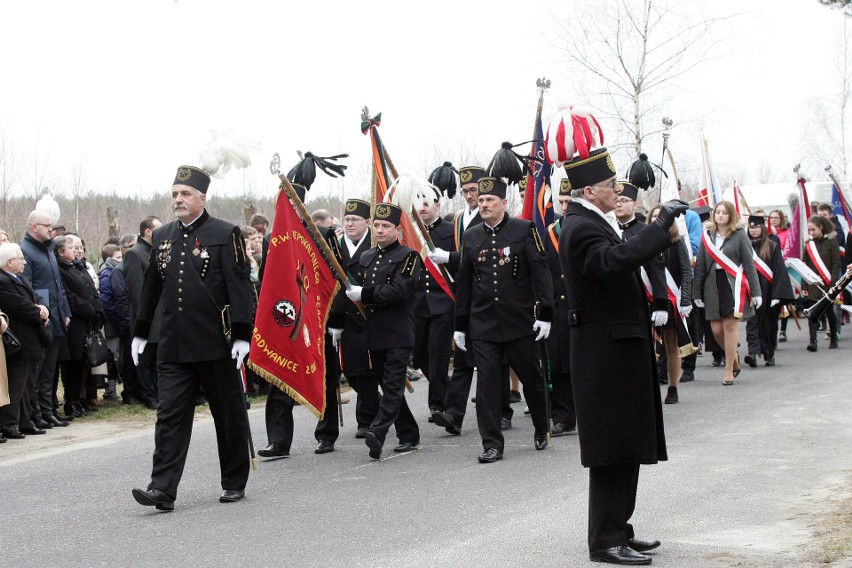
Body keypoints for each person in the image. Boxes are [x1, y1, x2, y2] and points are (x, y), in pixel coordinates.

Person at [557, 142, 688, 565]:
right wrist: (659, 226)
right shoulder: (579, 226)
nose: (618, 190)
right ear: (590, 191)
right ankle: (605, 540)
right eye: (611, 184)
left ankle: (620, 530)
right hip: (603, 351)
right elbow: (612, 264)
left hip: (617, 347)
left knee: (625, 443)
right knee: (612, 448)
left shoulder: (596, 219)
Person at [130, 164, 254, 511]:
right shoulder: (163, 235)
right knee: (170, 415)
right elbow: (152, 288)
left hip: (217, 344)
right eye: (174, 194)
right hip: (174, 344)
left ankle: (233, 481)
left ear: (202, 198)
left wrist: (243, 334)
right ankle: (162, 489)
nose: (178, 200)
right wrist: (140, 330)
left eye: (185, 194)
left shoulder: (225, 232)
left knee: (227, 415)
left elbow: (240, 286)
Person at [453, 175, 553, 463]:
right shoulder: (471, 236)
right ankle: (492, 443)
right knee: (486, 386)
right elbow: (465, 284)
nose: (483, 204)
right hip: (483, 324)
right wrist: (460, 325)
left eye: (489, 200)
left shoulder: (524, 229)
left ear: (503, 203)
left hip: (519, 321)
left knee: (532, 380)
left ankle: (541, 425)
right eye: (480, 200)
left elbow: (541, 273)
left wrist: (545, 314)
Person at [345, 202, 421, 460]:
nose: (379, 230)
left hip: (399, 332)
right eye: (376, 225)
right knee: (388, 385)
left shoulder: (409, 257)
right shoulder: (366, 257)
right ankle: (409, 433)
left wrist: (364, 294)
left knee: (392, 386)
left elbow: (400, 291)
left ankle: (377, 431)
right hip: (374, 333)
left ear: (397, 229)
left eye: (385, 226)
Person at [693, 201, 762, 385]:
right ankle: (734, 358)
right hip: (712, 285)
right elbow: (700, 265)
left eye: (724, 212)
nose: (721, 215)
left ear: (731, 215)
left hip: (733, 285)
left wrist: (756, 292)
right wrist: (696, 292)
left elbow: (749, 264)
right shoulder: (707, 236)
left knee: (730, 327)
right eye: (718, 212)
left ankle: (728, 369)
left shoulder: (739, 235)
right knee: (716, 330)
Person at [330, 198, 379, 438]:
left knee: (368, 370)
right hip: (346, 316)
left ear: (367, 222)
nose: (349, 224)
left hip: (371, 313)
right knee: (351, 369)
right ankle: (376, 405)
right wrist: (335, 320)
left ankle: (366, 419)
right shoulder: (336, 245)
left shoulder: (376, 243)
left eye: (355, 220)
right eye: (346, 219)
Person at [20, 210, 72, 428]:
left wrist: (66, 311)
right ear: (34, 227)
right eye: (47, 226)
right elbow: (28, 287)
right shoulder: (26, 251)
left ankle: (48, 410)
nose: (51, 230)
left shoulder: (48, 249)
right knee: (39, 371)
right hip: (41, 319)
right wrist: (41, 311)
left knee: (50, 370)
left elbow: (58, 285)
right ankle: (36, 413)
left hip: (57, 316)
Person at [0, 243, 52, 438]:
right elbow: (17, 305)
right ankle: (10, 423)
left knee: (29, 384)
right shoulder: (2, 281)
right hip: (20, 339)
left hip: (32, 338)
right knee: (16, 384)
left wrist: (42, 307)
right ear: (10, 262)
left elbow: (36, 297)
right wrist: (38, 312)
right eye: (21, 258)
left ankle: (25, 420)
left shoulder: (20, 278)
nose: (24, 261)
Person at [412, 184, 455, 422]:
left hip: (442, 302)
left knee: (438, 354)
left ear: (438, 206)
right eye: (419, 204)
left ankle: (437, 405)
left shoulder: (450, 231)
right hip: (418, 303)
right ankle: (446, 388)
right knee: (419, 356)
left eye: (427, 203)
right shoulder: (410, 232)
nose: (423, 208)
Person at [646, 204, 693, 404]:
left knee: (672, 345)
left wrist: (686, 299)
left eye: (661, 216)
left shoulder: (676, 241)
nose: (658, 219)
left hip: (671, 299)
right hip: (649, 298)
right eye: (654, 216)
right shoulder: (644, 241)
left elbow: (685, 270)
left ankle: (673, 387)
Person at [542, 179, 576, 434]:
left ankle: (585, 413)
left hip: (580, 306)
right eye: (561, 202)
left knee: (580, 364)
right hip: (557, 308)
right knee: (559, 364)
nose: (564, 207)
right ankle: (562, 416)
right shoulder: (550, 231)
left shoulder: (585, 227)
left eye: (568, 202)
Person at [123, 216, 162, 407]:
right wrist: (146, 317)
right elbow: (137, 290)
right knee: (145, 358)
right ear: (148, 231)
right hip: (147, 317)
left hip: (161, 315)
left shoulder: (156, 252)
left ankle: (158, 392)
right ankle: (148, 395)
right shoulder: (135, 254)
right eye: (158, 229)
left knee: (157, 358)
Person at [745, 216, 795, 366]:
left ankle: (769, 353)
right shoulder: (745, 246)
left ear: (763, 228)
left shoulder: (772, 246)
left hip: (768, 290)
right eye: (751, 227)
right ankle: (752, 353)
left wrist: (777, 294)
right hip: (751, 289)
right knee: (752, 321)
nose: (753, 230)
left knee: (769, 323)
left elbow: (779, 270)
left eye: (757, 227)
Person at [803, 215, 841, 351]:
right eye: (809, 230)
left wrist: (834, 283)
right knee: (812, 312)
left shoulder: (832, 242)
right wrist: (804, 286)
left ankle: (834, 338)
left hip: (827, 282)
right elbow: (804, 266)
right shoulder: (808, 245)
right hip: (813, 284)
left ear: (821, 228)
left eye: (813, 229)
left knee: (829, 311)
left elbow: (836, 264)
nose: (811, 233)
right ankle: (813, 341)